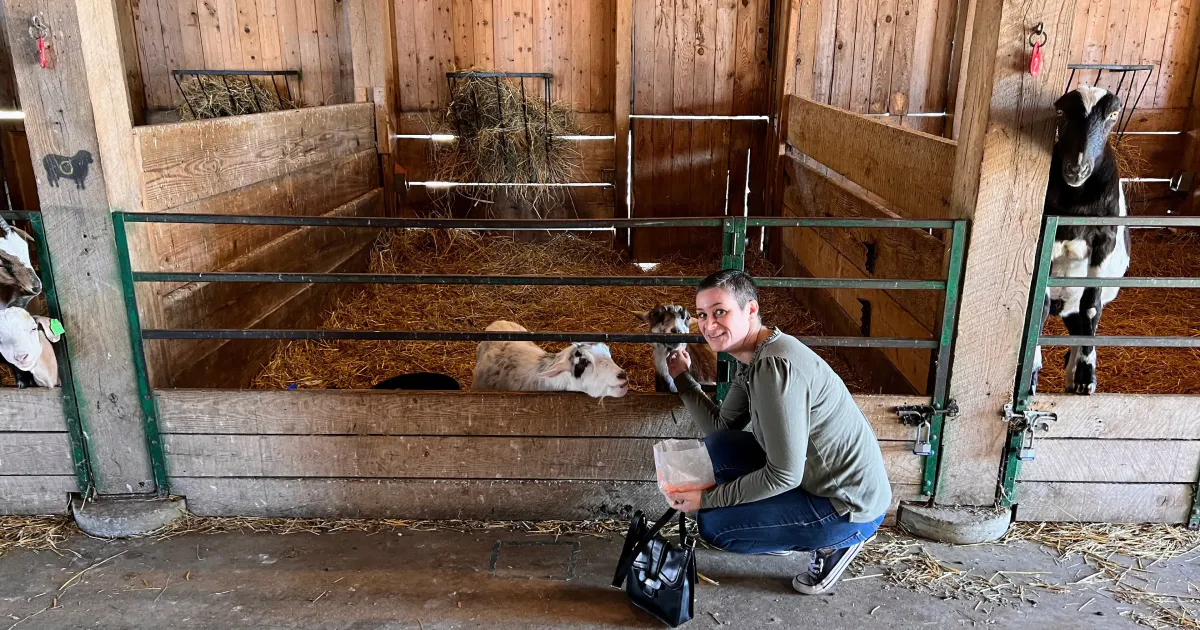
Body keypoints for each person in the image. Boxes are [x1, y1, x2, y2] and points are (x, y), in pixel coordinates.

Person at [663, 269, 891, 595]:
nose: (708, 324)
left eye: (720, 312)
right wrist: (684, 380)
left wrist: (705, 499)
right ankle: (781, 527)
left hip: (847, 507)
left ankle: (833, 545)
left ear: (751, 310)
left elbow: (783, 475)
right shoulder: (758, 355)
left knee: (715, 525)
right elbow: (722, 428)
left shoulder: (775, 368)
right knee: (718, 448)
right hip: (812, 480)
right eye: (702, 314)